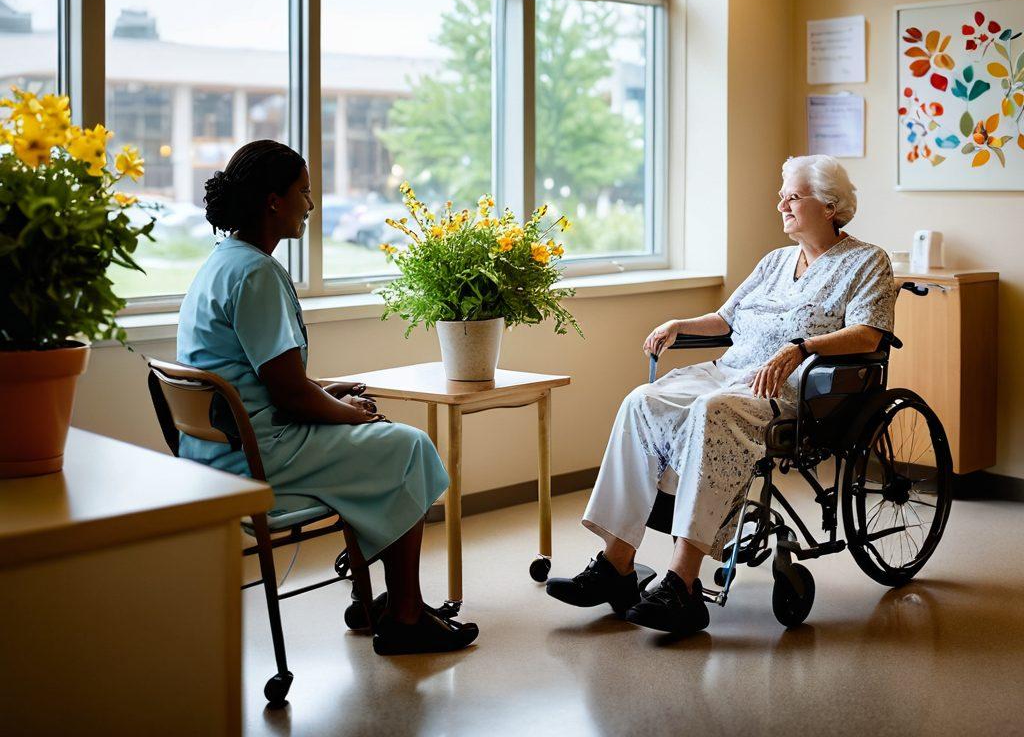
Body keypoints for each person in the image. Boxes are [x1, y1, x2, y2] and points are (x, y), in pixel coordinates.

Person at [546, 154, 896, 636]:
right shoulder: (774, 261)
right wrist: (680, 324)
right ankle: (617, 565)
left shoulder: (867, 261)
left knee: (714, 412)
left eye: (793, 196)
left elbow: (869, 335)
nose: (782, 205)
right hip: (729, 372)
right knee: (641, 402)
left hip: (796, 389)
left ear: (831, 205)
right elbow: (727, 319)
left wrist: (800, 349)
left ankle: (683, 584)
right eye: (783, 196)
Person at [176, 139, 478, 656]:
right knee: (405, 448)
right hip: (258, 458)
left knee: (378, 444)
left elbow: (265, 378)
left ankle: (377, 602)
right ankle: (404, 616)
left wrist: (326, 394)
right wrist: (345, 412)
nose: (311, 206)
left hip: (214, 453)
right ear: (274, 200)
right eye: (304, 192)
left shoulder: (223, 262)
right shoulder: (256, 274)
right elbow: (290, 395)